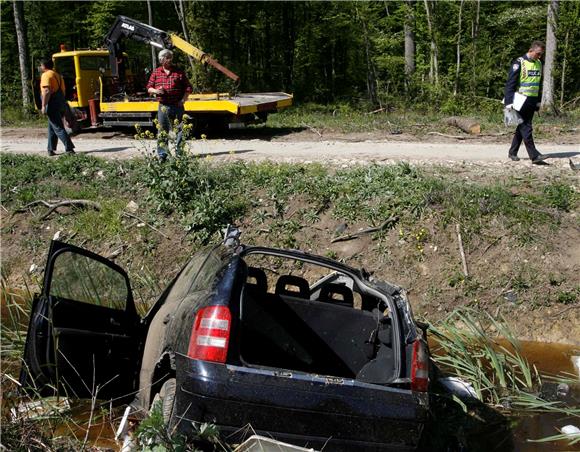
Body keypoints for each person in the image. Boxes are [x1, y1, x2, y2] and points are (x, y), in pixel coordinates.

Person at [504, 41, 548, 164]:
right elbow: (510, 84)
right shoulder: (519, 63)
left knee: (521, 127)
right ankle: (534, 156)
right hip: (521, 100)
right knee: (526, 127)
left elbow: (537, 84)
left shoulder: (538, 63)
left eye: (541, 54)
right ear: (530, 50)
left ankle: (512, 152)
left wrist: (538, 101)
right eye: (538, 54)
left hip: (532, 100)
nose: (539, 56)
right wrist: (508, 102)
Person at [147, 49, 193, 160]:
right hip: (163, 106)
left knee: (180, 131)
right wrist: (156, 91)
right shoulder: (156, 72)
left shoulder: (179, 72)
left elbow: (188, 87)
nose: (168, 59)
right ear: (161, 59)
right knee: (162, 131)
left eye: (169, 57)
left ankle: (180, 153)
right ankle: (163, 155)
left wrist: (183, 100)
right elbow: (149, 88)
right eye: (166, 57)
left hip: (177, 106)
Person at [39, 58, 75, 156]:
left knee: (58, 127)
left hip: (52, 104)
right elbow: (63, 91)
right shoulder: (57, 75)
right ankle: (50, 149)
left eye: (41, 65)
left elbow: (46, 91)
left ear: (44, 66)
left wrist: (43, 105)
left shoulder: (46, 75)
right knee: (52, 127)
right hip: (61, 103)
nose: (40, 67)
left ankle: (70, 149)